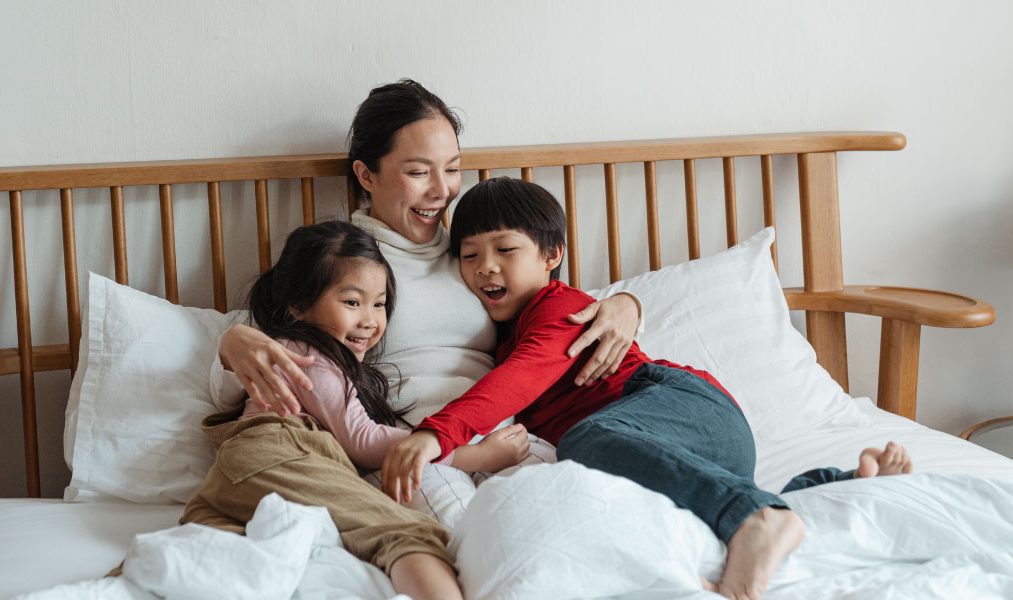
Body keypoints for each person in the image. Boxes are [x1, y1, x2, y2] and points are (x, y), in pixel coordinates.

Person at [379, 177, 914, 600]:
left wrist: (436, 435)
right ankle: (834, 486)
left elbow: (520, 379)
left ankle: (757, 516)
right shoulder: (501, 335)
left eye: (504, 250)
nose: (485, 267)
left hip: (675, 404)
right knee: (634, 495)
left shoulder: (563, 309)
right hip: (675, 450)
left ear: (552, 255)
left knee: (585, 441)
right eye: (469, 256)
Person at [215, 79, 644, 514]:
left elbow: (548, 311)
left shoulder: (476, 255)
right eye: (419, 172)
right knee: (466, 536)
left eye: (453, 169)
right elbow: (277, 361)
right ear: (366, 174)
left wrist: (627, 306)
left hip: (506, 441)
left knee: (581, 513)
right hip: (411, 446)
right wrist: (232, 344)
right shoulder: (342, 262)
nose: (442, 191)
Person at [182, 221, 531, 600]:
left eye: (379, 304)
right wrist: (474, 456)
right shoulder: (310, 358)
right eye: (352, 302)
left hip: (240, 474)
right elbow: (363, 440)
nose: (369, 319)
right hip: (277, 454)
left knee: (206, 554)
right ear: (298, 305)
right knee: (410, 533)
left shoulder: (310, 357)